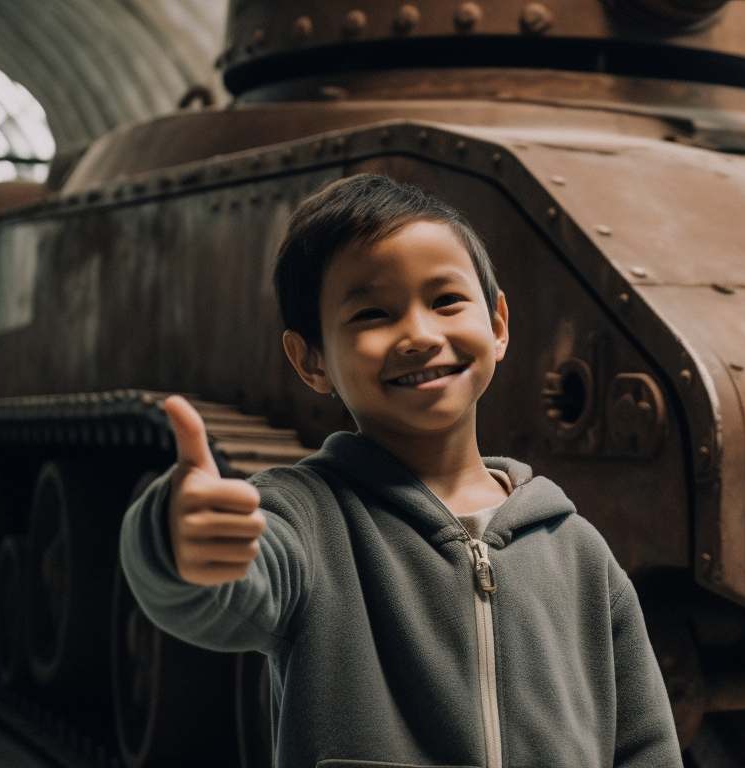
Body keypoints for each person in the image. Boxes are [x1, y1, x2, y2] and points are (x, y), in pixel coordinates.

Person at [119, 174, 683, 768]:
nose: (419, 335)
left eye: (446, 301)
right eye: (372, 314)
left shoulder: (576, 550)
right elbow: (229, 598)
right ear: (310, 358)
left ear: (497, 325)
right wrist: (172, 539)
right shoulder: (305, 519)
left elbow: (644, 743)